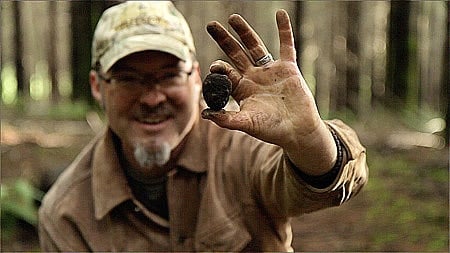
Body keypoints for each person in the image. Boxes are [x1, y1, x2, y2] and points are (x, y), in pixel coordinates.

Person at [38, 1, 368, 251]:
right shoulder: (67, 215)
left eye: (169, 76)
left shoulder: (242, 147)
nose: (153, 99)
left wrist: (308, 142)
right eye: (129, 79)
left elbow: (325, 187)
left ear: (196, 78)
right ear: (98, 86)